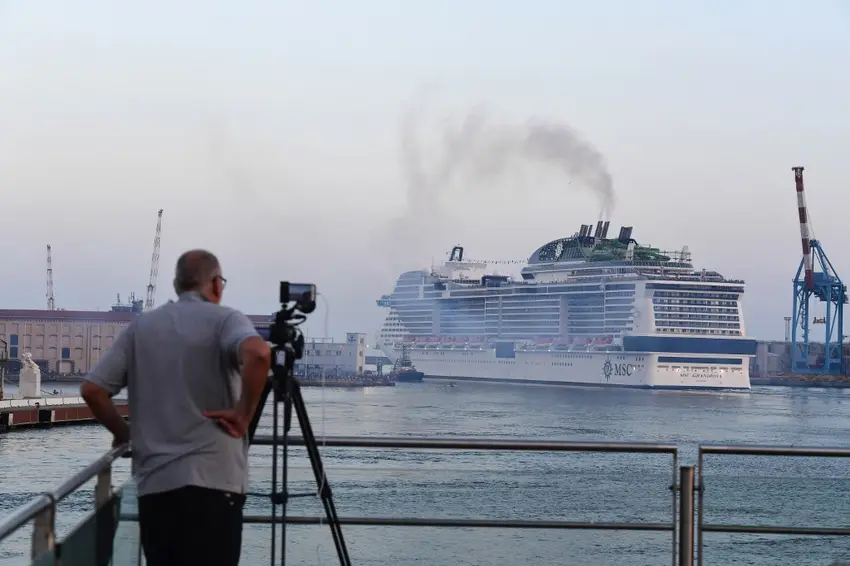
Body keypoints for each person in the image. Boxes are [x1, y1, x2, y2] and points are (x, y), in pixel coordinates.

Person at [81, 249, 272, 566]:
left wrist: (124, 433)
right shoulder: (227, 320)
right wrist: (243, 414)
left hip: (157, 488)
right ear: (216, 284)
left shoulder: (141, 327)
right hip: (216, 486)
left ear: (175, 284)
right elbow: (259, 354)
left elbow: (93, 390)